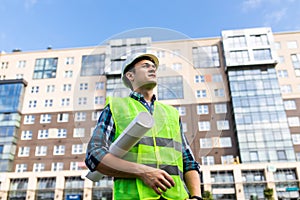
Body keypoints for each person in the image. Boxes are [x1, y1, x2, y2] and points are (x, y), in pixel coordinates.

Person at [85, 52, 202, 200]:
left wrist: (196, 196)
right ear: (130, 76)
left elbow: (188, 161)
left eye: (153, 67)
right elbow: (94, 155)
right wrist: (142, 172)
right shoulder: (116, 107)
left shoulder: (171, 113)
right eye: (145, 66)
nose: (152, 69)